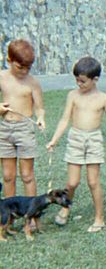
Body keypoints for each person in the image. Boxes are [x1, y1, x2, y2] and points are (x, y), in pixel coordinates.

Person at [47, 56, 106, 233]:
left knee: (93, 181)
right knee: (72, 182)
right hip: (76, 138)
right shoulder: (72, 95)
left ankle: (99, 218)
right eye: (76, 80)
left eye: (82, 81)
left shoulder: (104, 98)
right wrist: (54, 140)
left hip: (94, 139)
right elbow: (65, 119)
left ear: (95, 79)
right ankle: (65, 208)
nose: (79, 84)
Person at [0, 39, 45, 198]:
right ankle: (8, 216)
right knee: (8, 176)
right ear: (9, 61)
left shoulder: (32, 83)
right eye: (20, 67)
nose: (24, 71)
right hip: (5, 129)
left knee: (27, 175)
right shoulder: (2, 77)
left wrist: (40, 118)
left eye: (28, 68)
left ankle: (31, 217)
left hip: (24, 129)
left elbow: (39, 107)